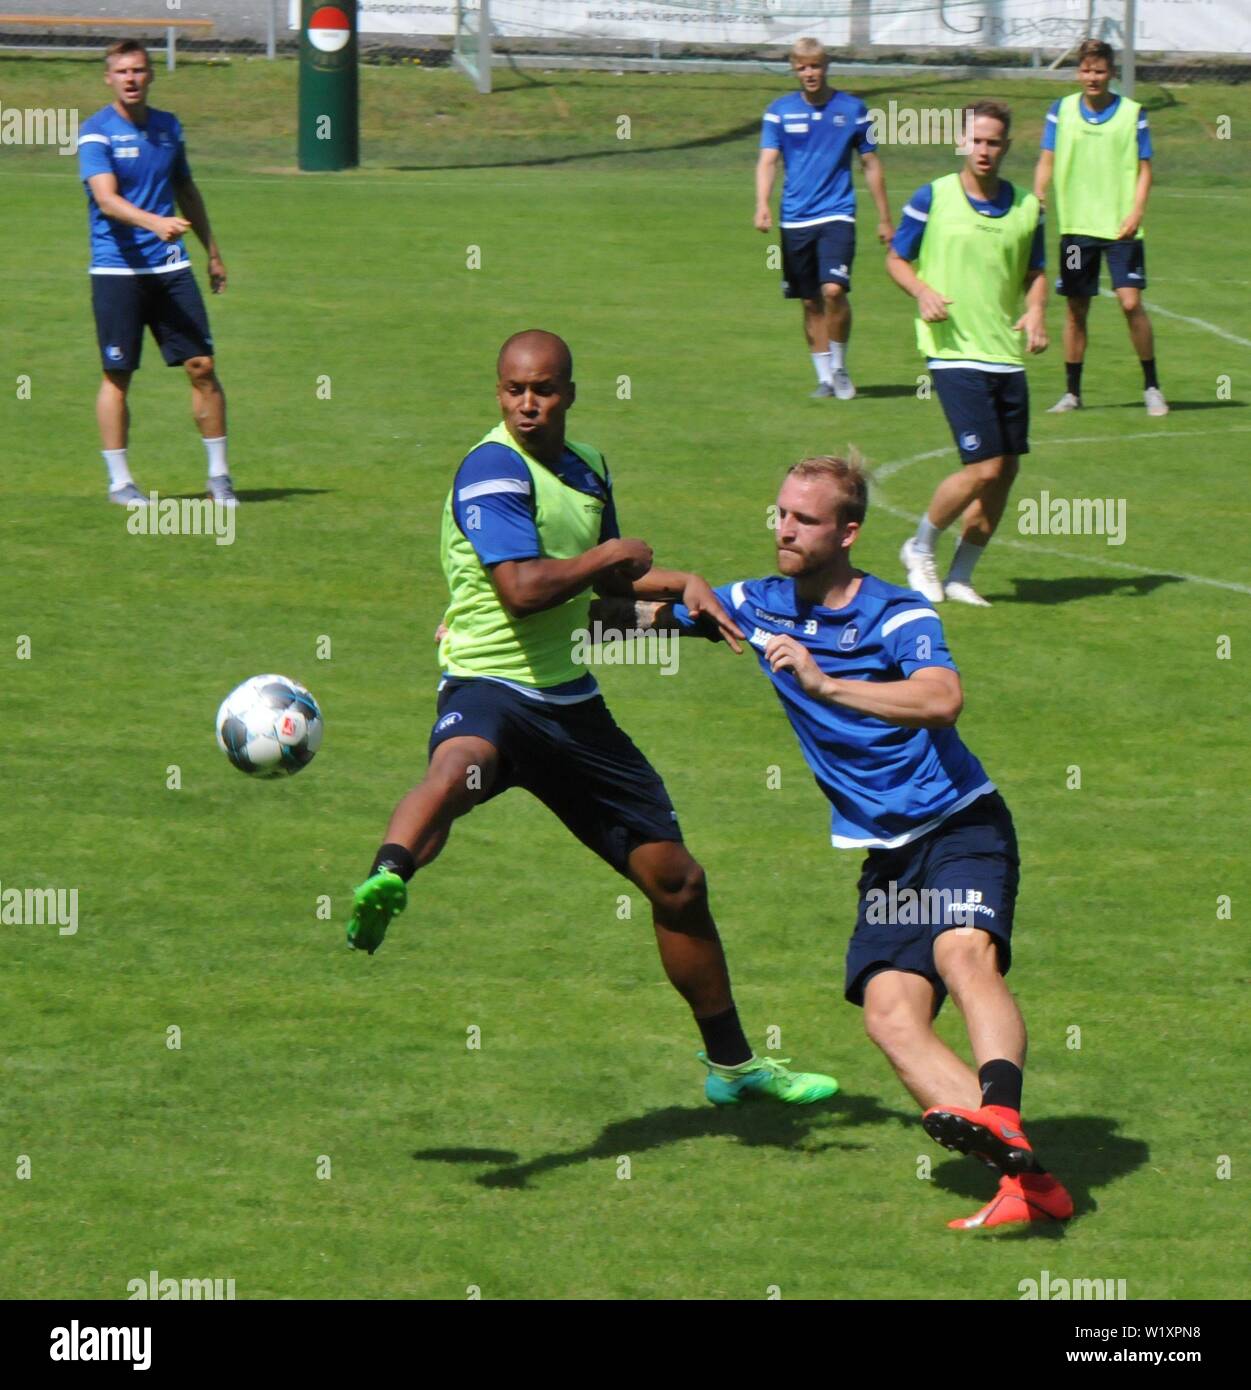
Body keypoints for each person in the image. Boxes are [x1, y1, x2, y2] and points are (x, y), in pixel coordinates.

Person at [345, 329, 837, 1108]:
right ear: (497, 393)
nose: (528, 404)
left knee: (677, 882)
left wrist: (681, 604)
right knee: (458, 767)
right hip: (492, 684)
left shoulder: (586, 469)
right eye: (513, 391)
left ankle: (734, 1068)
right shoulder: (491, 470)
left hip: (569, 702)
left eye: (542, 389)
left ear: (569, 391)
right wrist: (619, 563)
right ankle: (387, 875)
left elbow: (599, 607)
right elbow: (525, 589)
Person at [644, 455, 1073, 1228]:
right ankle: (1029, 1184)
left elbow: (943, 698)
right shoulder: (758, 603)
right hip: (886, 853)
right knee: (889, 1017)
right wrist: (504, 619)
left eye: (803, 520)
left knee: (959, 952)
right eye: (778, 513)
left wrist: (826, 685)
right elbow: (636, 624)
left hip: (959, 823)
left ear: (847, 532)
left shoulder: (896, 611)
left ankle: (1000, 1113)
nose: (783, 528)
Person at [887, 102, 1047, 608]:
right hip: (953, 352)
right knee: (982, 467)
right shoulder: (932, 197)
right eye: (976, 141)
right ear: (963, 142)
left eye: (993, 142)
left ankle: (960, 577)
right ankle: (920, 547)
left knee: (1006, 472)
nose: (984, 150)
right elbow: (896, 258)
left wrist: (1037, 311)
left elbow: (1036, 271)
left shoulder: (1027, 208)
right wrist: (922, 292)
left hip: (1005, 353)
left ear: (1006, 147)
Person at [77, 39, 235, 507]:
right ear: (109, 78)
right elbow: (106, 200)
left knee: (202, 366)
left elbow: (186, 188)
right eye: (122, 71)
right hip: (117, 272)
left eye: (139, 70)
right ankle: (120, 483)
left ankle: (219, 476)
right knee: (117, 373)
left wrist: (213, 252)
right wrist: (154, 222)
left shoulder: (168, 128)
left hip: (171, 268)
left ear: (151, 75)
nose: (131, 78)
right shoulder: (95, 133)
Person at [755, 37, 893, 400]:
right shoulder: (778, 112)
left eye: (815, 65)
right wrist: (762, 204)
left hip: (838, 214)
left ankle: (841, 366)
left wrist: (884, 218)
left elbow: (871, 163)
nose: (810, 73)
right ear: (794, 69)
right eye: (802, 67)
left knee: (833, 291)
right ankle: (824, 378)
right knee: (810, 301)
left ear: (826, 66)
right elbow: (768, 160)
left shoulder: (854, 109)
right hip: (795, 218)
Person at [1034, 39, 1166, 416]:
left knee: (1130, 301)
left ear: (1111, 73)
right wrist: (1039, 193)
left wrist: (1137, 211)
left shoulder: (1132, 113)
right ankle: (1072, 393)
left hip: (1121, 228)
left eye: (1100, 71)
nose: (1092, 78)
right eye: (1086, 70)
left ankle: (1152, 386)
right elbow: (1047, 159)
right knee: (1076, 309)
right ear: (1078, 72)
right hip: (1077, 230)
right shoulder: (1061, 112)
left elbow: (1145, 170)